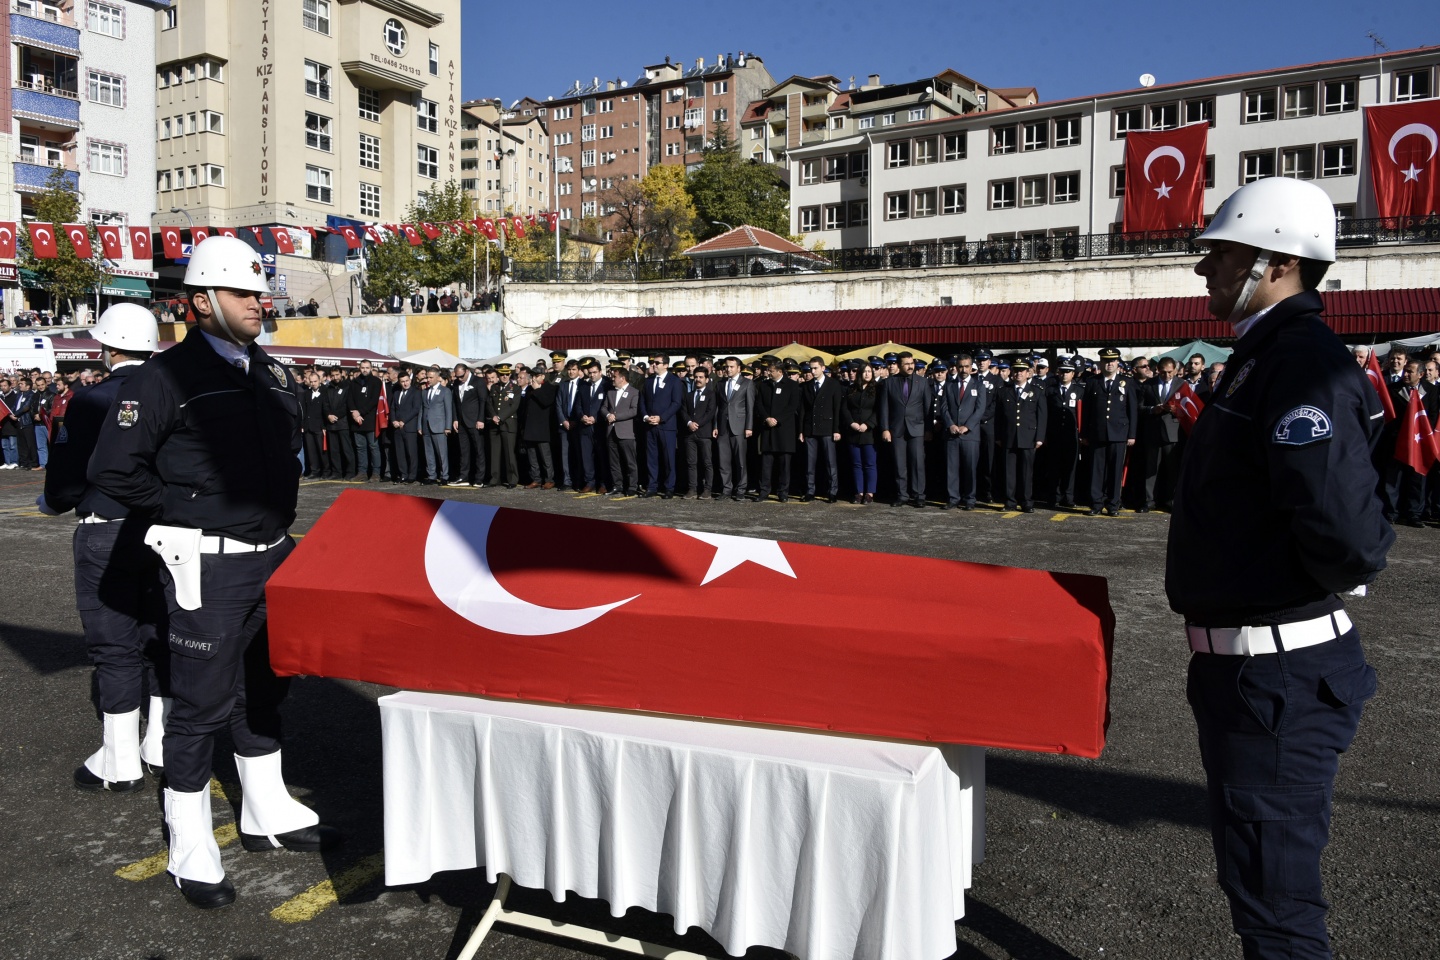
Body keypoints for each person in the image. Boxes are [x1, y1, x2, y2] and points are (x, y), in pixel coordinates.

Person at [1167, 176, 1393, 960]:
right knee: (1258, 889)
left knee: (1278, 909)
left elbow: (1346, 532)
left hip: (1278, 682)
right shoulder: (1263, 357)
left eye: (1220, 254)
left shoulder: (1296, 363)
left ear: (1273, 263)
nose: (1205, 270)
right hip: (1252, 677)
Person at [88, 236, 340, 910]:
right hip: (206, 562)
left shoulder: (271, 373)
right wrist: (179, 519)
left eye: (260, 292)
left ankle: (264, 806)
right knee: (198, 705)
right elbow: (113, 469)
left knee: (264, 685)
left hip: (272, 553)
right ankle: (189, 837)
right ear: (200, 302)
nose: (260, 303)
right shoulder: (161, 376)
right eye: (243, 294)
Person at [41, 304, 170, 794]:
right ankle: (159, 742)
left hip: (108, 526)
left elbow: (68, 476)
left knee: (114, 643)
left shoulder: (92, 399)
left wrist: (54, 500)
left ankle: (119, 759)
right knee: (161, 635)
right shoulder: (174, 394)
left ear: (107, 346)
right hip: (166, 531)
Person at [1082, 347, 1136, 516]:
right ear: (1101, 362)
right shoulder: (1093, 382)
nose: (1109, 364)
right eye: (1106, 361)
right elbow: (1086, 410)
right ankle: (1096, 503)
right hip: (1097, 433)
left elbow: (1132, 410)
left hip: (1119, 433)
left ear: (1117, 362)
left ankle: (1113, 504)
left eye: (1112, 360)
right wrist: (1084, 433)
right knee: (1096, 470)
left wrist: (1132, 434)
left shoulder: (1126, 382)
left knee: (1115, 470)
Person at [991, 358, 1047, 512]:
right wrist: (998, 436)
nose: (1018, 373)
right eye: (1015, 370)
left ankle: (1027, 502)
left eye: (1021, 370)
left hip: (1028, 437)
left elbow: (1042, 416)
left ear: (1028, 373)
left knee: (1026, 473)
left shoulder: (1036, 391)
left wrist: (1040, 437)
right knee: (1009, 472)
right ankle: (1010, 501)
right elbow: (998, 416)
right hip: (1008, 437)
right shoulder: (1004, 391)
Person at [879, 352, 930, 508]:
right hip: (897, 429)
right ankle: (902, 495)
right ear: (899, 365)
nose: (910, 366)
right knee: (899, 464)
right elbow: (884, 408)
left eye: (911, 363)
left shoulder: (922, 382)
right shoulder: (889, 383)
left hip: (917, 428)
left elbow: (927, 407)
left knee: (917, 463)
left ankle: (919, 495)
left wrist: (928, 429)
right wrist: (885, 429)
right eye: (906, 364)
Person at [939, 353, 986, 510]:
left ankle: (970, 499)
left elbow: (980, 409)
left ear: (971, 366)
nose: (963, 369)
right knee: (951, 468)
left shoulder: (978, 385)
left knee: (970, 469)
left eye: (966, 366)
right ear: (956, 367)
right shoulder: (949, 385)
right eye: (961, 366)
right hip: (952, 434)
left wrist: (968, 426)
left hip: (970, 435)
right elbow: (944, 407)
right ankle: (953, 498)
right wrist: (950, 424)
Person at [752, 359, 800, 502]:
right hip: (768, 429)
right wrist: (767, 418)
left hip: (784, 429)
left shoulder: (791, 385)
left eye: (771, 370)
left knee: (784, 464)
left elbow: (792, 406)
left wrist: (777, 419)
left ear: (780, 372)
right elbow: (759, 404)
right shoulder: (764, 385)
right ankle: (764, 490)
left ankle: (783, 492)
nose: (768, 372)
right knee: (766, 463)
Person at [1138, 357, 1182, 512]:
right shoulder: (1148, 385)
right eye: (1163, 372)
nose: (1167, 376)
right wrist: (1152, 409)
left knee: (1172, 469)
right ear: (1158, 370)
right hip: (1153, 432)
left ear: (1175, 370)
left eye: (1170, 372)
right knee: (1151, 468)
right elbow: (1140, 407)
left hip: (1172, 432)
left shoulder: (1181, 385)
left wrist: (1177, 411)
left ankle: (1170, 500)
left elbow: (1188, 408)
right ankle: (1149, 500)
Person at [800, 357, 843, 503]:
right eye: (810, 369)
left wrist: (836, 429)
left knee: (830, 463)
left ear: (823, 368)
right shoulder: (807, 386)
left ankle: (832, 491)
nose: (812, 371)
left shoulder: (833, 384)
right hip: (810, 428)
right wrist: (801, 430)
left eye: (815, 368)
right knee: (809, 463)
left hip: (827, 428)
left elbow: (837, 408)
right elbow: (803, 410)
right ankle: (809, 491)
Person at [639, 353, 682, 498]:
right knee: (651, 457)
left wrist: (661, 418)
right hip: (650, 425)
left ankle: (669, 487)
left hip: (666, 425)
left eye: (657, 363)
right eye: (652, 362)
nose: (654, 365)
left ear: (665, 365)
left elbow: (676, 403)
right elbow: (642, 401)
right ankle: (652, 486)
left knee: (669, 458)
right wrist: (645, 416)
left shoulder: (674, 381)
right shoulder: (649, 381)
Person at [715, 356, 754, 501]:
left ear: (738, 368)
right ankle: (726, 489)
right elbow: (718, 407)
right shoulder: (720, 384)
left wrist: (749, 427)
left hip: (739, 426)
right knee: (723, 461)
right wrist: (715, 426)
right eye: (726, 367)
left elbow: (750, 407)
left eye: (731, 367)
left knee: (740, 461)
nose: (728, 369)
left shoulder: (747, 383)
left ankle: (741, 489)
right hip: (723, 427)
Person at [601, 361, 639, 496]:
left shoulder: (634, 392)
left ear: (622, 378)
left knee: (630, 462)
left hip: (626, 432)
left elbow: (634, 411)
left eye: (614, 376)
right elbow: (603, 407)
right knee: (614, 461)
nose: (612, 378)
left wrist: (616, 417)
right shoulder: (611, 392)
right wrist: (608, 415)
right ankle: (618, 485)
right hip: (611, 431)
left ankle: (632, 486)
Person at [517, 365, 557, 489]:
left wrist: (537, 390)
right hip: (530, 428)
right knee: (532, 457)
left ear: (543, 376)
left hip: (542, 428)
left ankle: (549, 479)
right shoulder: (529, 389)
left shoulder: (549, 388)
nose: (534, 378)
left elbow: (546, 402)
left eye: (537, 376)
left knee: (545, 457)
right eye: (533, 376)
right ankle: (536, 479)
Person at [681, 364, 716, 499]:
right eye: (696, 377)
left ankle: (707, 489)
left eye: (701, 377)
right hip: (690, 433)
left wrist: (698, 424)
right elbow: (683, 411)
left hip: (704, 433)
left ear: (707, 379)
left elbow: (710, 412)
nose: (698, 379)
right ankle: (692, 489)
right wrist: (689, 423)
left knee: (707, 462)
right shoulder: (689, 395)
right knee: (691, 463)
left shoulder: (711, 394)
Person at [451, 363, 486, 487]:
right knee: (463, 450)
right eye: (457, 376)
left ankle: (479, 478)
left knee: (478, 450)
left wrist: (480, 419)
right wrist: (455, 419)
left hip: (474, 420)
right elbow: (455, 402)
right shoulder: (456, 383)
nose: (459, 379)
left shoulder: (478, 381)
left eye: (461, 376)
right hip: (461, 421)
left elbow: (483, 401)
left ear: (466, 372)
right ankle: (463, 476)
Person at [419, 367, 454, 484]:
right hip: (426, 425)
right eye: (427, 377)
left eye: (431, 377)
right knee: (428, 452)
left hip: (439, 426)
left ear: (438, 378)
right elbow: (422, 410)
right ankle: (431, 475)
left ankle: (445, 475)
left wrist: (448, 426)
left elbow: (448, 410)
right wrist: (419, 425)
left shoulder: (445, 391)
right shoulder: (424, 391)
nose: (428, 379)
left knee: (442, 453)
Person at [320, 368, 353, 479]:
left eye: (337, 375)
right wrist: (328, 415)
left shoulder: (347, 387)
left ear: (341, 374)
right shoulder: (328, 388)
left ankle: (350, 472)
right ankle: (336, 472)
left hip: (343, 423)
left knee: (346, 449)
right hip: (331, 424)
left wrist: (336, 416)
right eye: (333, 375)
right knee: (334, 450)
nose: (335, 377)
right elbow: (325, 404)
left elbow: (346, 405)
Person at [389, 369, 421, 483]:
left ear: (410, 380)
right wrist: (393, 420)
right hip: (397, 427)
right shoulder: (397, 393)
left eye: (407, 381)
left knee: (411, 453)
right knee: (400, 453)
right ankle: (403, 474)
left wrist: (404, 420)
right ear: (399, 382)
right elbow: (393, 408)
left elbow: (416, 409)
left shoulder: (416, 392)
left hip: (409, 427)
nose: (405, 383)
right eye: (402, 381)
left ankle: (412, 476)